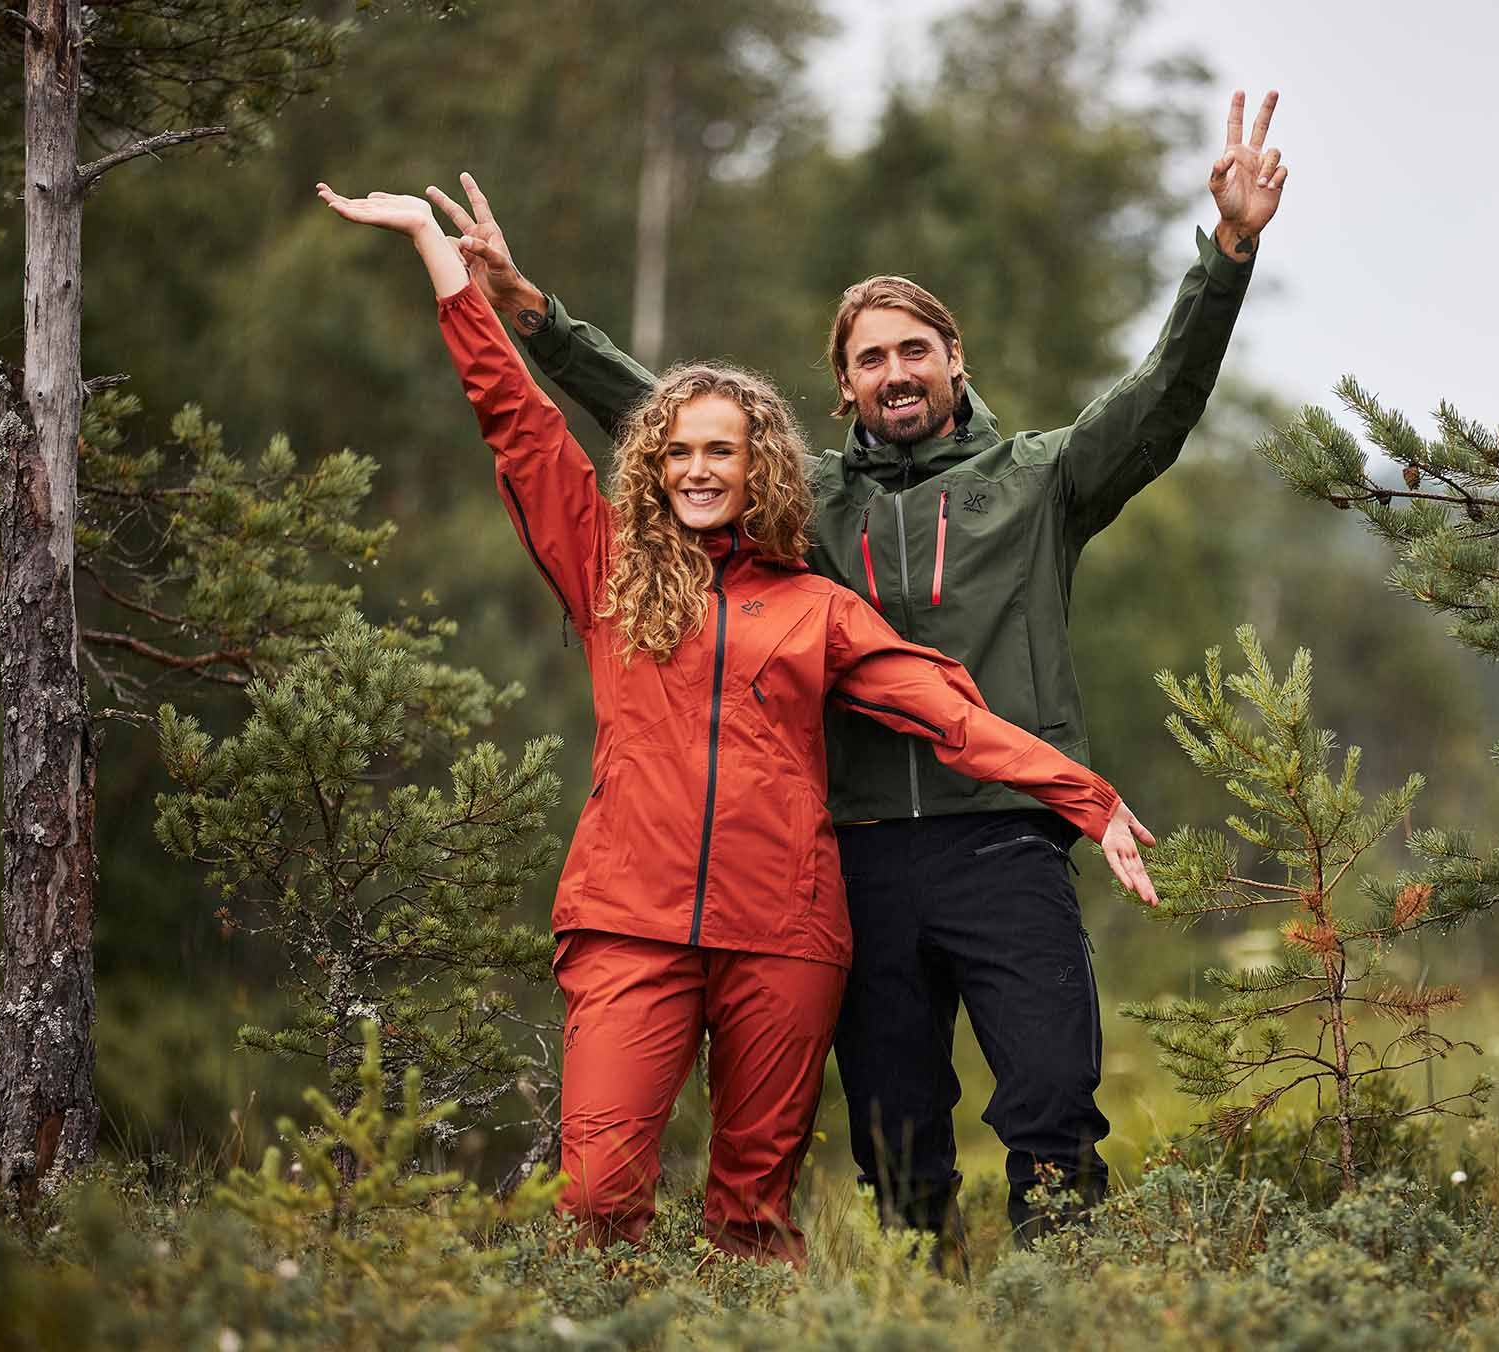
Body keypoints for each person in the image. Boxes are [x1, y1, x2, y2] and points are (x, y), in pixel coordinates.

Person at [430, 87, 1286, 1257]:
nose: (894, 371)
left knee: (1047, 1098)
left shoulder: (1039, 483)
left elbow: (1159, 402)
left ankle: (1064, 1301)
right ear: (840, 386)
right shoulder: (810, 507)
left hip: (1001, 835)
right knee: (893, 1126)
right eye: (870, 356)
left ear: (953, 360)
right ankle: (919, 1301)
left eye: (914, 350)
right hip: (855, 851)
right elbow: (672, 424)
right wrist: (532, 315)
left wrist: (1227, 253)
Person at [314, 181, 1160, 1268]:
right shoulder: (608, 570)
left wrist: (1085, 796)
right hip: (632, 918)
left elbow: (946, 709)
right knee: (600, 1190)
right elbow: (520, 426)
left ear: (762, 467)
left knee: (754, 1218)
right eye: (676, 453)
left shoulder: (814, 606)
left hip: (783, 933)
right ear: (650, 467)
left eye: (722, 452)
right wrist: (444, 264)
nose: (698, 470)